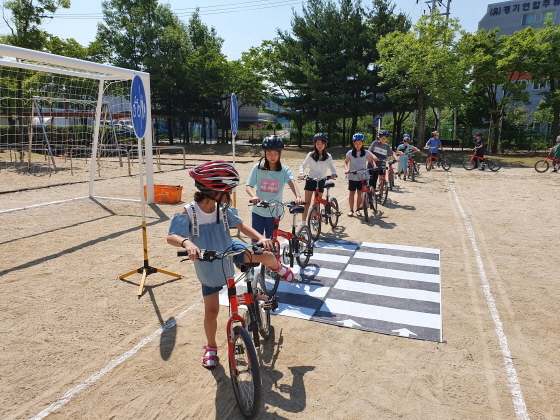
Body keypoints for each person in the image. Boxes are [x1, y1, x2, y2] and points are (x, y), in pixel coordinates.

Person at [167, 161, 295, 369]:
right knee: (211, 312)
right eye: (228, 191)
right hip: (209, 261)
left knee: (265, 255)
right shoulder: (189, 212)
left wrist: (260, 238)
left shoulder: (221, 208)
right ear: (215, 191)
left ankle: (279, 269)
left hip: (228, 249)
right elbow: (172, 235)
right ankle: (210, 348)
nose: (230, 195)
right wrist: (187, 243)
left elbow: (241, 225)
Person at [246, 135, 303, 239]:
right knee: (256, 241)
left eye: (275, 154)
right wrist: (253, 196)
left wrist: (298, 196)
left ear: (280, 154)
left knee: (271, 241)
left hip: (275, 213)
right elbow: (248, 185)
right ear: (265, 153)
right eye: (269, 153)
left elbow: (292, 182)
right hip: (258, 211)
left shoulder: (284, 170)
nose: (272, 156)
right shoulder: (257, 168)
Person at [298, 133, 338, 226]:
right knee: (306, 203)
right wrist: (301, 173)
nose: (319, 145)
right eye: (317, 143)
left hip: (321, 180)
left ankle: (315, 220)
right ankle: (303, 224)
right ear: (315, 144)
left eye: (322, 143)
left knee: (317, 203)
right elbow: (303, 165)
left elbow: (332, 166)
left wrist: (334, 173)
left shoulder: (328, 156)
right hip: (310, 180)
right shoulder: (310, 155)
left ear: (325, 144)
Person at [344, 133, 377, 217]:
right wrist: (347, 169)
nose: (358, 145)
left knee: (360, 194)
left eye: (359, 143)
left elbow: (371, 160)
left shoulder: (366, 152)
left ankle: (358, 209)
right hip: (353, 175)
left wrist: (374, 165)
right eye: (356, 143)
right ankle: (351, 210)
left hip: (362, 175)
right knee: (352, 193)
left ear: (363, 143)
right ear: (353, 143)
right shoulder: (350, 153)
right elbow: (346, 162)